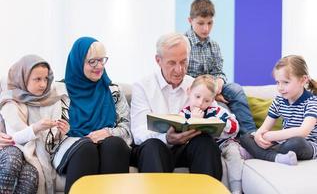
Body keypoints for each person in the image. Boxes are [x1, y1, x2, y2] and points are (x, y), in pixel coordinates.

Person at [130, 32, 222, 180]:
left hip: (186, 148)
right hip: (154, 149)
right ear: (158, 60)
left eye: (183, 62)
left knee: (205, 143)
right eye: (172, 63)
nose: (179, 70)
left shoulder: (195, 85)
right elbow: (138, 133)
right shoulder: (142, 86)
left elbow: (217, 115)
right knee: (153, 146)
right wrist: (167, 138)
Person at [52, 37, 132, 193]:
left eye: (102, 60)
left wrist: (107, 133)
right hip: (75, 146)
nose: (99, 67)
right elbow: (53, 134)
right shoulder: (61, 92)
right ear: (78, 62)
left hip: (108, 145)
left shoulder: (113, 90)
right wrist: (66, 133)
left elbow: (127, 130)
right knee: (85, 148)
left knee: (114, 144)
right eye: (92, 62)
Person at [185, 0, 256, 135]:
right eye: (200, 23)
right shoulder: (184, 44)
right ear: (190, 21)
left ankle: (251, 134)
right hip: (197, 91)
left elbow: (219, 71)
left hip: (215, 88)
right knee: (223, 109)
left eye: (210, 23)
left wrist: (219, 82)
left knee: (235, 88)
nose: (206, 29)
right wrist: (210, 95)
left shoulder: (214, 46)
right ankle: (237, 138)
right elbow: (184, 77)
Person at [0, 55, 69, 193]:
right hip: (12, 147)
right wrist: (37, 128)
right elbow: (13, 139)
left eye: (45, 79)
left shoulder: (53, 99)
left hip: (35, 155)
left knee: (31, 177)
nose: (43, 84)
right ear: (23, 78)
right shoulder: (10, 100)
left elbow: (51, 142)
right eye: (37, 79)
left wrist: (60, 133)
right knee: (12, 158)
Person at [240, 55, 317, 165]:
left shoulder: (312, 102)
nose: (280, 88)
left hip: (306, 145)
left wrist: (271, 135)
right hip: (282, 143)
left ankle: (259, 153)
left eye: (286, 82)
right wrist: (258, 136)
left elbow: (303, 132)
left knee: (296, 143)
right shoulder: (279, 101)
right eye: (278, 82)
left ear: (303, 80)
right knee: (245, 137)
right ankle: (277, 157)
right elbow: (263, 128)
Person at [179, 74, 243, 194]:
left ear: (213, 100)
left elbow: (235, 127)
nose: (200, 103)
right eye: (197, 97)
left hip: (225, 144)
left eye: (206, 100)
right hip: (205, 148)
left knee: (234, 154)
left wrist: (221, 123)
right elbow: (183, 134)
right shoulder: (184, 113)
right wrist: (194, 120)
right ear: (189, 92)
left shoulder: (218, 111)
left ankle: (236, 190)